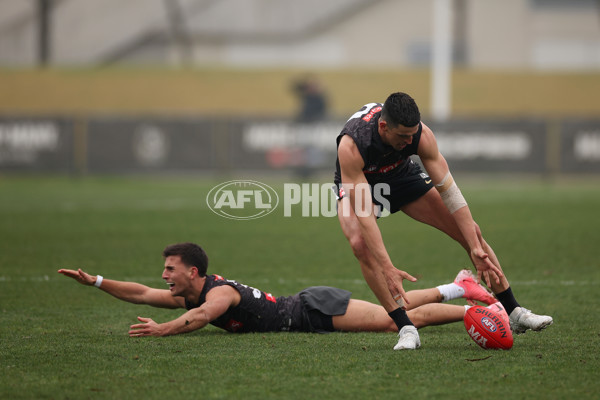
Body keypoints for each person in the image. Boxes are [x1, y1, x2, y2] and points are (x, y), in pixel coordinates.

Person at [334, 92, 553, 350]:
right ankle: (405, 327)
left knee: (471, 231)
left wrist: (473, 244)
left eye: (411, 135)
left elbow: (450, 193)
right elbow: (365, 215)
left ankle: (514, 312)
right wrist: (387, 267)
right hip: (360, 182)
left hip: (400, 176)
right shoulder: (352, 145)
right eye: (403, 136)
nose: (409, 141)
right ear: (384, 126)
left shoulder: (420, 135)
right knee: (360, 244)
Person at [57, 242, 501, 339]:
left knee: (391, 319)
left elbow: (200, 319)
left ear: (193, 271)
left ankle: (466, 306)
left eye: (170, 270)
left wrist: (163, 330)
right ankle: (458, 287)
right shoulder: (188, 293)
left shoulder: (218, 293)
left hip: (311, 309)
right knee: (393, 312)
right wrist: (95, 281)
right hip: (308, 310)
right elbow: (138, 294)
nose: (164, 277)